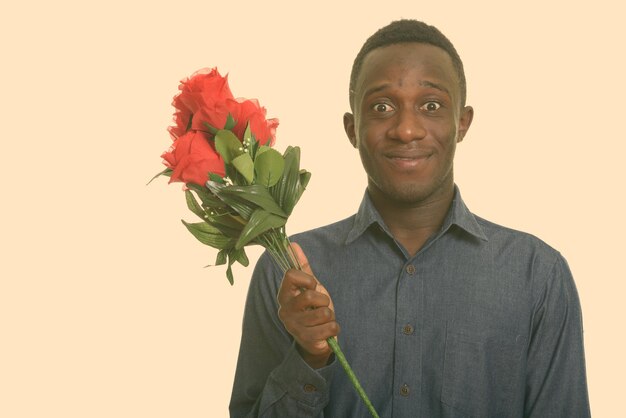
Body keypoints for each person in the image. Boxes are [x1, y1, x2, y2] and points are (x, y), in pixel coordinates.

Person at [229, 19, 591, 417]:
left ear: (462, 123)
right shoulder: (288, 271)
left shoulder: (537, 274)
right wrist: (310, 357)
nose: (406, 129)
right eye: (381, 107)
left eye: (431, 106)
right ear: (352, 128)